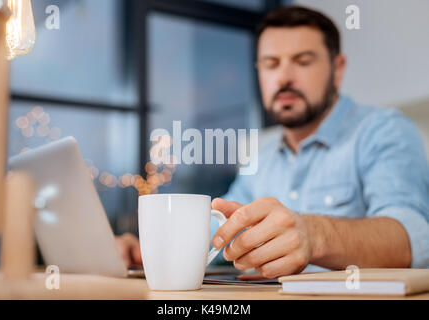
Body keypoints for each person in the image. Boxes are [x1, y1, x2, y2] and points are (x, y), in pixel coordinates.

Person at [116, 5, 429, 277]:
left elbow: (414, 238)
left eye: (303, 61)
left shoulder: (383, 131)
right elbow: (220, 230)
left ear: (337, 69)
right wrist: (147, 250)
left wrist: (315, 235)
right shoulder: (261, 160)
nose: (284, 77)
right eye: (271, 64)